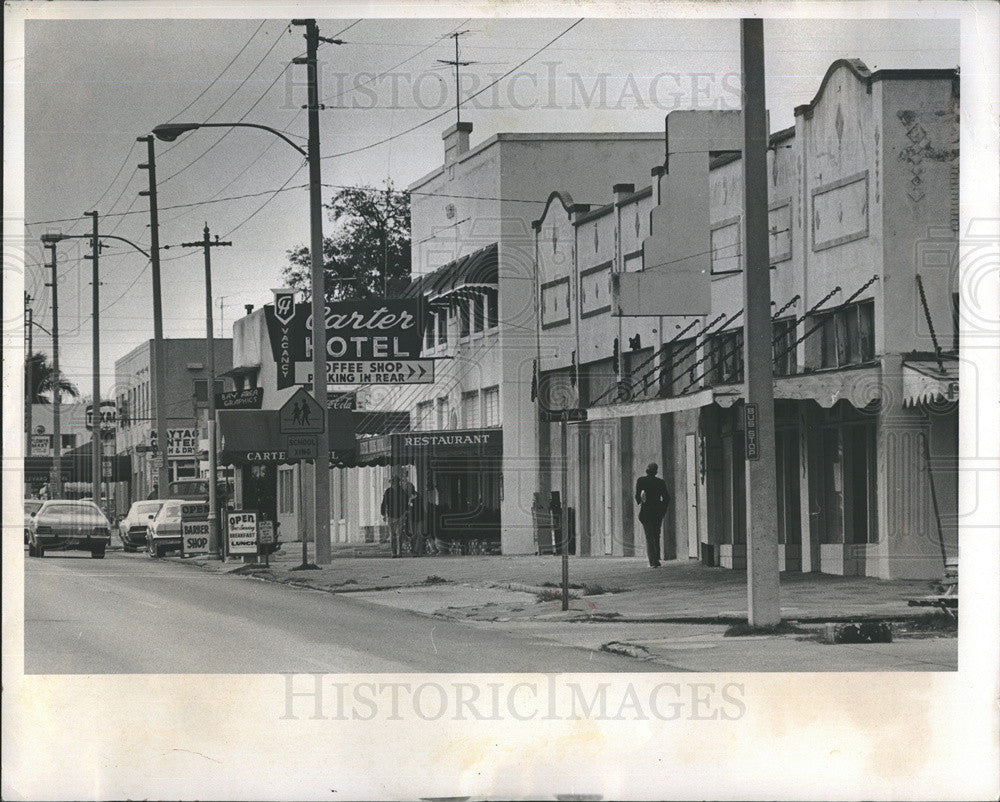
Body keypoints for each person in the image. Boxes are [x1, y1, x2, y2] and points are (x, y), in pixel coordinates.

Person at [634, 462, 669, 568]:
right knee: (656, 535)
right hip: (657, 511)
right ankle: (656, 559)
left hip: (646, 511)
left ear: (647, 470)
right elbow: (667, 498)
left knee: (649, 537)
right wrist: (662, 509)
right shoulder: (660, 482)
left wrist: (642, 500)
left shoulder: (641, 481)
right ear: (656, 471)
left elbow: (637, 497)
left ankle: (652, 561)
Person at [380, 475, 409, 558]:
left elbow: (406, 503)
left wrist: (405, 513)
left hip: (400, 515)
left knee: (399, 534)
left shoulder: (402, 492)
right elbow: (384, 503)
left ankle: (399, 552)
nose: (394, 484)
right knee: (392, 534)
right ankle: (393, 552)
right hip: (391, 515)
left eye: (395, 482)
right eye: (393, 482)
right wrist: (383, 514)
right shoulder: (388, 492)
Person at [408, 491, 427, 557]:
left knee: (416, 535)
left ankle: (415, 550)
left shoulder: (413, 500)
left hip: (416, 519)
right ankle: (417, 551)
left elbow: (409, 509)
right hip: (418, 519)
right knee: (417, 535)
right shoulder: (419, 499)